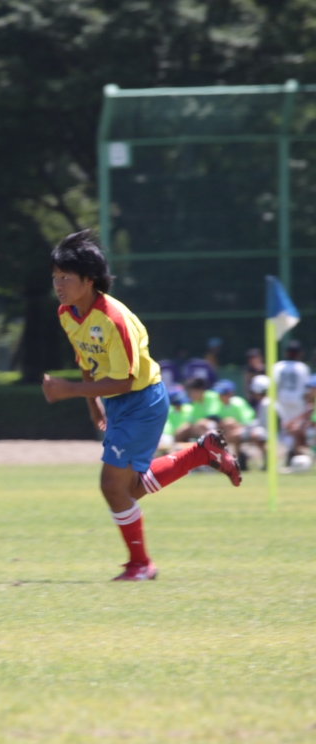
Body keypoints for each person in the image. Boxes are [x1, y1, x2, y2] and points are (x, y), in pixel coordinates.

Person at [41, 231, 240, 582]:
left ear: (88, 280)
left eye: (66, 277)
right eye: (55, 276)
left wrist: (70, 390)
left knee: (111, 485)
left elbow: (127, 381)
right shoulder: (67, 313)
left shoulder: (114, 320)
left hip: (142, 400)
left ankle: (141, 564)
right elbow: (85, 357)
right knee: (129, 488)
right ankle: (201, 453)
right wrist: (92, 403)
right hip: (118, 402)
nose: (58, 284)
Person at [274, 340, 312, 462]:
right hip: (298, 402)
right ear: (299, 353)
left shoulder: (278, 366)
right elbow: (307, 389)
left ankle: (291, 451)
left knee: (287, 429)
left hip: (282, 400)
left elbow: (274, 385)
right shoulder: (303, 367)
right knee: (297, 428)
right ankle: (294, 453)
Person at [213, 379, 255, 469]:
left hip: (245, 429)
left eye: (223, 394)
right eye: (219, 394)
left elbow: (247, 421)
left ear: (230, 394)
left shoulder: (238, 403)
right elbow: (217, 422)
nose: (220, 396)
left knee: (231, 427)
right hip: (227, 433)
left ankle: (235, 459)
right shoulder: (218, 405)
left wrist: (233, 424)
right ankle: (234, 459)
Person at [173, 377, 222, 443]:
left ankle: (210, 447)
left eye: (192, 392)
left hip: (218, 424)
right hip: (200, 426)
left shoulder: (212, 396)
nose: (190, 395)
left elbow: (214, 417)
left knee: (200, 424)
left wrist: (197, 423)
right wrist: (182, 428)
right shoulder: (195, 403)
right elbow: (191, 420)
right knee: (180, 431)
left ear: (201, 390)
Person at [157, 389, 193, 454]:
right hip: (167, 437)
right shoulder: (167, 410)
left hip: (182, 437)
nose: (179, 406)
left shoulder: (189, 408)